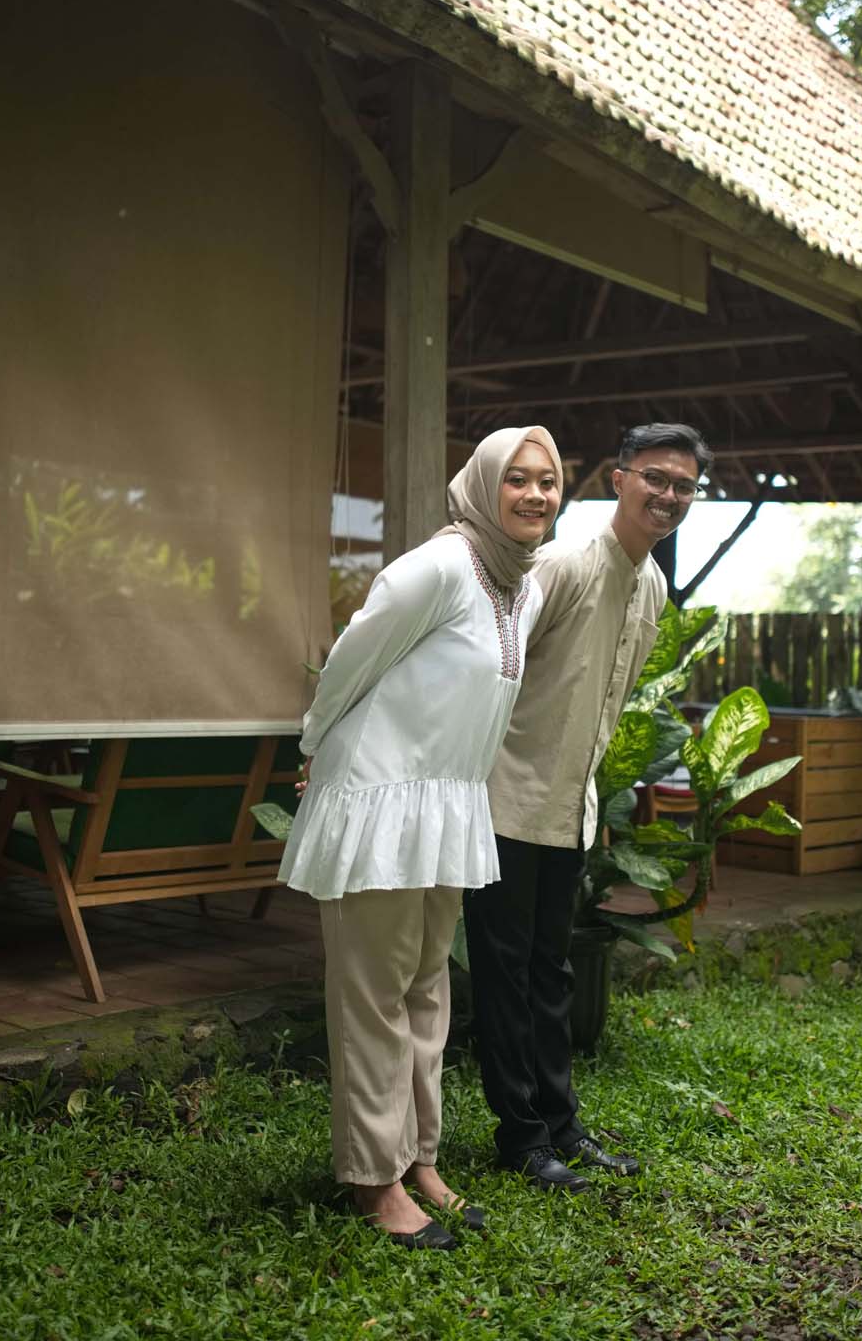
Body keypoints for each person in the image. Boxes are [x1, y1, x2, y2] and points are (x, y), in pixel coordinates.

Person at [279, 425, 563, 1247]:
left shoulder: (522, 588)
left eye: (548, 480)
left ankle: (419, 1159)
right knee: (374, 996)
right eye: (517, 478)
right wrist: (314, 746)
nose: (535, 494)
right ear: (482, 484)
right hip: (379, 797)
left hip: (447, 802)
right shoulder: (435, 567)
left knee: (426, 991)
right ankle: (374, 1179)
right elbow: (350, 660)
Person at [464, 422, 712, 1192]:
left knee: (551, 972)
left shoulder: (652, 587)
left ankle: (563, 1128)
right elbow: (488, 665)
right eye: (655, 478)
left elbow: (605, 704)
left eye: (683, 485)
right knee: (506, 976)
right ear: (619, 478)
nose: (667, 495)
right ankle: (521, 1138)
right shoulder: (562, 565)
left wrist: (590, 800)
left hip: (569, 809)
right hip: (504, 800)